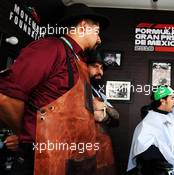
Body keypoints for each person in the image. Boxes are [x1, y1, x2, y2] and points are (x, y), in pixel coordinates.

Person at [0, 3, 109, 175]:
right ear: (82, 27)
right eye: (97, 31)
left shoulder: (78, 60)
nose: (99, 39)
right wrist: (28, 135)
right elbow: (5, 98)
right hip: (40, 160)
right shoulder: (50, 49)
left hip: (68, 160)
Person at [86, 50, 119, 174]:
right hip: (84, 145)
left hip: (102, 145)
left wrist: (102, 105)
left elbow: (116, 115)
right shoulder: (78, 88)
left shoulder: (98, 92)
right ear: (85, 67)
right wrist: (102, 114)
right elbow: (98, 117)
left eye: (101, 68)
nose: (99, 71)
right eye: (95, 66)